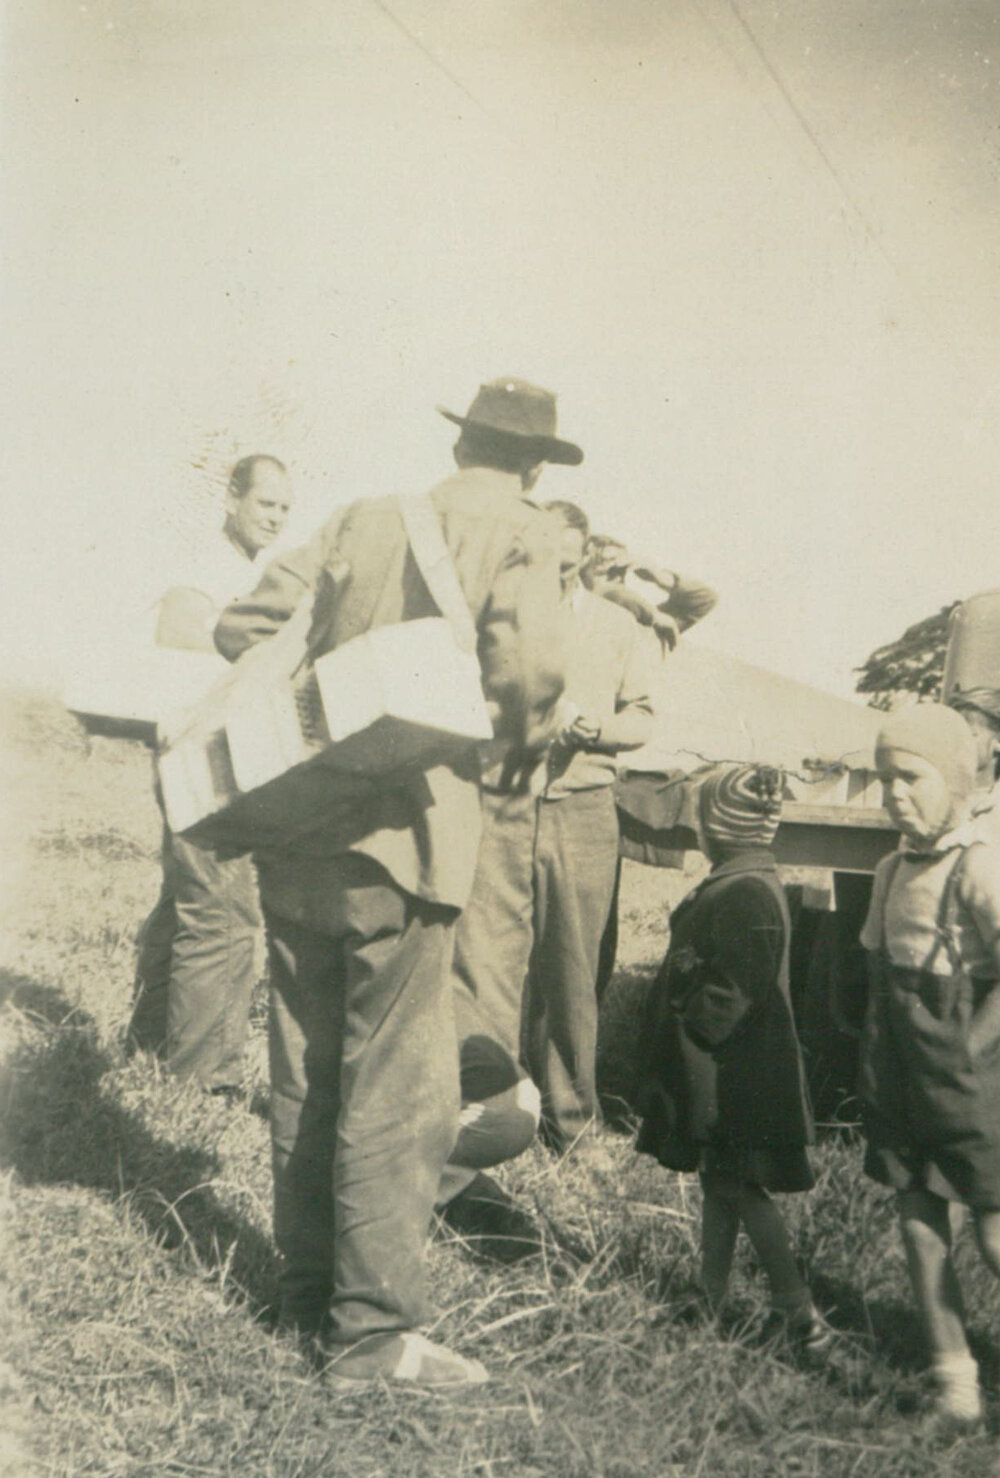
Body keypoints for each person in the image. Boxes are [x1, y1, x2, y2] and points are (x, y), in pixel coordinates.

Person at [214, 376, 579, 1388]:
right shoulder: (526, 529)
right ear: (535, 464)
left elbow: (244, 621)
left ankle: (302, 1296)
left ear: (461, 442)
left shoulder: (363, 517)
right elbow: (534, 679)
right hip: (408, 842)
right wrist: (509, 740)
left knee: (306, 1069)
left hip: (295, 834)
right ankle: (371, 1339)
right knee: (393, 1088)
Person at [636, 766, 829, 1350]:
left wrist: (692, 1026)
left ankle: (799, 1312)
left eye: (701, 818)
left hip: (736, 1074)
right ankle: (709, 1292)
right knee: (721, 1181)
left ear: (717, 828)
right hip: (727, 1071)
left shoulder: (746, 892)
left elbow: (736, 986)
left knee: (741, 1187)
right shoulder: (742, 880)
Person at [129, 454, 293, 1095]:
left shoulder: (255, 571)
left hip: (221, 752)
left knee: (187, 903)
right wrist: (262, 653)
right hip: (198, 756)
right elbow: (176, 631)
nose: (276, 518)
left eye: (284, 508)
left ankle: (149, 1044)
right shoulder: (207, 562)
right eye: (265, 504)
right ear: (231, 499)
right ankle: (203, 1082)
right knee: (223, 914)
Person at [858, 704, 1000, 1427]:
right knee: (916, 1216)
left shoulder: (978, 866)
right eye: (883, 780)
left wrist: (974, 1050)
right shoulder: (889, 869)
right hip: (901, 1069)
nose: (893, 796)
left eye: (910, 778)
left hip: (971, 1079)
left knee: (995, 1228)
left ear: (958, 780)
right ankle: (957, 1384)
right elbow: (876, 964)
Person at [519, 499, 654, 1154]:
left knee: (574, 974)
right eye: (548, 560)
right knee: (492, 961)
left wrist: (597, 727)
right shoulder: (499, 614)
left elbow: (644, 719)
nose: (559, 574)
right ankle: (490, 1112)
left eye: (570, 563)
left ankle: (568, 1126)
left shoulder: (616, 627)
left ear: (587, 557)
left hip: (583, 808)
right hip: (506, 805)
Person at [582, 533, 718, 653]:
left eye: (619, 571)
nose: (616, 579)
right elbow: (619, 597)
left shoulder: (646, 623)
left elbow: (705, 599)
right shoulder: (641, 611)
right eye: (601, 570)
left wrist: (659, 576)